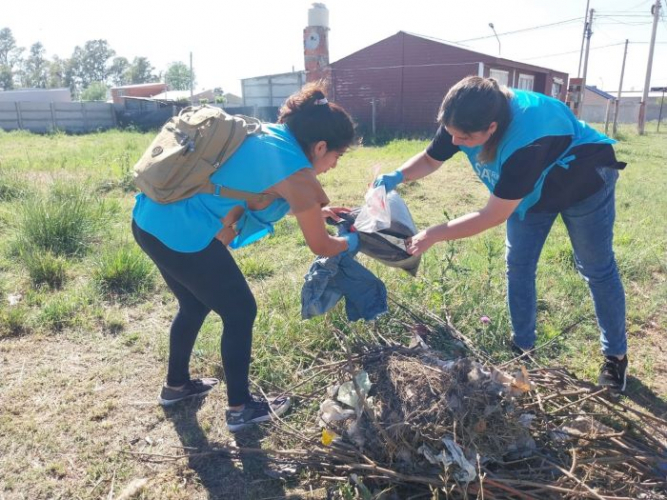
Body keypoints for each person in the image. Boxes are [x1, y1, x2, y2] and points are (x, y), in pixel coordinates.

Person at [374, 76, 629, 391]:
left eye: (464, 137)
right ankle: (522, 349)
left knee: (595, 267)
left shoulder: (528, 139)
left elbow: (492, 214)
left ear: (491, 129)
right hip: (531, 191)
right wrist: (397, 176)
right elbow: (430, 158)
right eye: (450, 133)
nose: (453, 142)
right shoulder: (463, 114)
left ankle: (615, 357)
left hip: (583, 180)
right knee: (519, 265)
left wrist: (433, 234)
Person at [132, 84, 359, 431]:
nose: (332, 165)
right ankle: (241, 408)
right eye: (336, 157)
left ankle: (176, 387)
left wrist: (317, 211)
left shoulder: (269, 134)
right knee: (240, 311)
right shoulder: (296, 172)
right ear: (320, 146)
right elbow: (323, 247)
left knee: (194, 305)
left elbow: (252, 186)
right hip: (181, 235)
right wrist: (356, 241)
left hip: (148, 220)